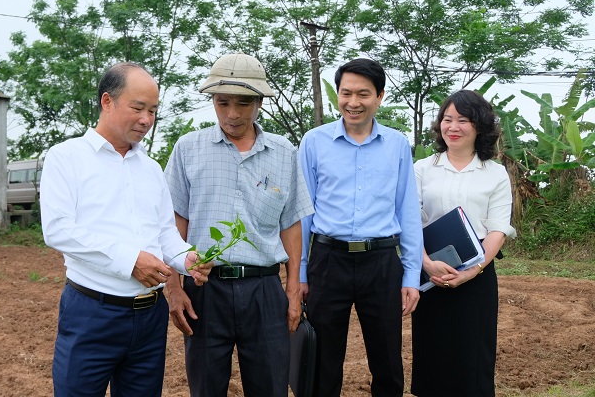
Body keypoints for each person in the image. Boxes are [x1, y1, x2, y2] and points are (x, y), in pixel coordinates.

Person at [40, 62, 213, 397]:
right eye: (138, 108)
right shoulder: (67, 158)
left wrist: (186, 258)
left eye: (152, 110)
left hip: (149, 317)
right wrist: (130, 259)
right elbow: (58, 229)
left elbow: (164, 234)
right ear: (107, 101)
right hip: (92, 314)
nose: (146, 119)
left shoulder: (150, 169)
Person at [164, 53, 314, 396]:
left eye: (244, 103)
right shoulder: (188, 148)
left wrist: (292, 288)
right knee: (206, 387)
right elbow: (173, 224)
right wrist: (173, 288)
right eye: (223, 102)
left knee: (271, 386)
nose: (233, 113)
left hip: (263, 290)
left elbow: (291, 223)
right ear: (212, 102)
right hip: (204, 289)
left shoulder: (283, 151)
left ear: (260, 102)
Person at [298, 58, 423, 396]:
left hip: (381, 263)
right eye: (346, 93)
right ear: (338, 94)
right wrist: (301, 274)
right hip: (328, 260)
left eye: (363, 94)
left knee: (387, 362)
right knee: (322, 360)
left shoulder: (397, 144)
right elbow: (302, 214)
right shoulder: (313, 141)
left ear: (379, 97)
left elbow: (407, 211)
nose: (353, 102)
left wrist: (411, 276)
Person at [410, 90, 516, 397]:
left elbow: (497, 227)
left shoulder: (494, 173)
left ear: (480, 126)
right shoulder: (422, 168)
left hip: (476, 274)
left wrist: (474, 270)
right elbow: (411, 221)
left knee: (474, 357)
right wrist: (426, 262)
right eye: (447, 119)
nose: (452, 127)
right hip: (430, 271)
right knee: (433, 357)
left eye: (463, 120)